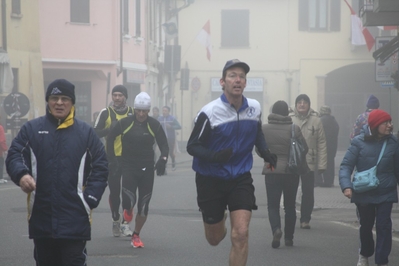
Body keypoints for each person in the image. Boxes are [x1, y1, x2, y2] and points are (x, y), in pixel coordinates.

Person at [5, 79, 108, 265]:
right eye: (54, 98)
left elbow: (100, 167)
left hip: (75, 219)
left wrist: (89, 199)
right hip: (42, 218)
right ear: (48, 101)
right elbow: (14, 155)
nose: (59, 103)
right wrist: (22, 175)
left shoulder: (86, 133)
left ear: (72, 102)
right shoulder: (32, 129)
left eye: (64, 98)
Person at [186, 59, 277, 266]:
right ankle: (219, 220)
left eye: (242, 77)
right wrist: (215, 156)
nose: (238, 80)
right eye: (232, 76)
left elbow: (257, 133)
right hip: (210, 179)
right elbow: (192, 146)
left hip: (240, 178)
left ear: (245, 83)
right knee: (215, 238)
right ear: (222, 82)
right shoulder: (209, 112)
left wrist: (265, 152)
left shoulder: (253, 108)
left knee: (241, 234)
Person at [107, 92, 169, 248]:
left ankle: (136, 235)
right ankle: (128, 210)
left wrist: (163, 159)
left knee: (144, 204)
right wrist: (112, 159)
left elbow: (164, 144)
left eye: (144, 111)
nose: (141, 114)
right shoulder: (125, 123)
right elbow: (110, 138)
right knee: (128, 201)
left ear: (148, 111)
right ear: (135, 109)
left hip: (147, 168)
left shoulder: (154, 124)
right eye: (138, 110)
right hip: (128, 166)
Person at [339, 109, 398, 266]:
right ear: (376, 124)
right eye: (386, 123)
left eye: (390, 122)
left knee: (384, 226)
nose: (390, 126)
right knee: (365, 226)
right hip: (364, 191)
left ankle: (382, 261)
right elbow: (346, 166)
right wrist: (346, 186)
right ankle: (364, 254)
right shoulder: (358, 142)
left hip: (386, 192)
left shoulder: (393, 142)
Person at [261, 100, 308, 248]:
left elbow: (259, 148)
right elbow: (304, 148)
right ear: (287, 113)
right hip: (291, 171)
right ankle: (289, 238)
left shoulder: (264, 129)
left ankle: (276, 229)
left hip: (272, 170)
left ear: (273, 112)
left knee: (273, 205)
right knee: (289, 206)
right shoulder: (294, 128)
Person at [94, 85, 134, 237]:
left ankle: (125, 223)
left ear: (125, 97)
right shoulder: (106, 113)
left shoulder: (133, 112)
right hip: (112, 158)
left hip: (130, 158)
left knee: (128, 192)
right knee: (115, 192)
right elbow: (94, 132)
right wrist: (108, 130)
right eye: (115, 95)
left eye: (120, 95)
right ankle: (115, 219)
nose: (117, 98)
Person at [290, 94, 327, 229]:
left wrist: (322, 164)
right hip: (292, 162)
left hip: (309, 162)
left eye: (305, 102)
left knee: (308, 192)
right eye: (299, 102)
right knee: (291, 191)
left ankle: (305, 219)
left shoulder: (316, 120)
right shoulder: (289, 119)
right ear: (295, 105)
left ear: (309, 105)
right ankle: (291, 218)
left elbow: (321, 143)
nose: (302, 104)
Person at [315, 105, 339, 187]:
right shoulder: (334, 121)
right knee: (330, 163)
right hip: (332, 146)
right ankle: (329, 181)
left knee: (320, 162)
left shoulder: (320, 120)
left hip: (322, 146)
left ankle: (319, 181)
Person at [158, 106, 181, 171]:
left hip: (171, 138)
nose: (164, 112)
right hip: (162, 139)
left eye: (165, 111)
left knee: (170, 152)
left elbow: (179, 126)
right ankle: (164, 167)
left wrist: (171, 127)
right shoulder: (160, 118)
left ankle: (173, 162)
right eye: (163, 110)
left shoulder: (172, 118)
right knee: (164, 153)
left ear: (168, 112)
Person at [0, 115, 8, 184]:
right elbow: (2, 140)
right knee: (0, 163)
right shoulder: (0, 128)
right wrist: (5, 149)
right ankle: (0, 178)